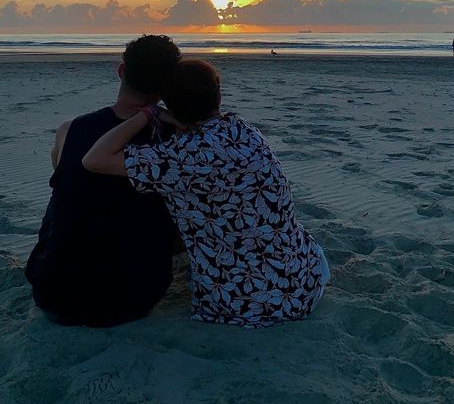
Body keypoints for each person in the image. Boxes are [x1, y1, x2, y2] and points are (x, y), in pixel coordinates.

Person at [83, 58, 330, 328]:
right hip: (306, 280)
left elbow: (94, 159)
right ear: (219, 97)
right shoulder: (244, 130)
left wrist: (148, 114)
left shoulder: (175, 158)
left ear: (171, 106)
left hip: (244, 305)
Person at [25, 34, 181, 326]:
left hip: (53, 294)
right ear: (168, 84)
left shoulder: (69, 130)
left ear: (121, 71)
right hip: (132, 299)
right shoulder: (179, 140)